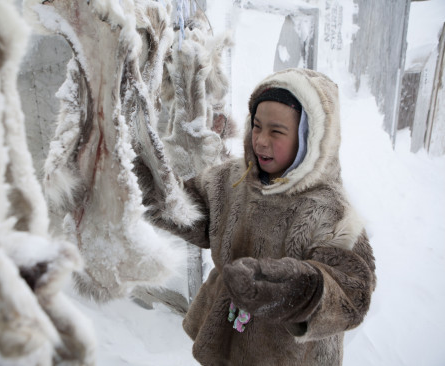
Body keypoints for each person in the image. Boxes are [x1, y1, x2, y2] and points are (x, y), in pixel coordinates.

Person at [139, 68, 376, 365]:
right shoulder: (232, 179)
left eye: (276, 131)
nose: (261, 141)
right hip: (226, 336)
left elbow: (352, 292)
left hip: (287, 355)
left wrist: (294, 290)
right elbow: (193, 212)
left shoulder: (331, 211)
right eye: (257, 126)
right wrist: (148, 185)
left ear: (310, 138)